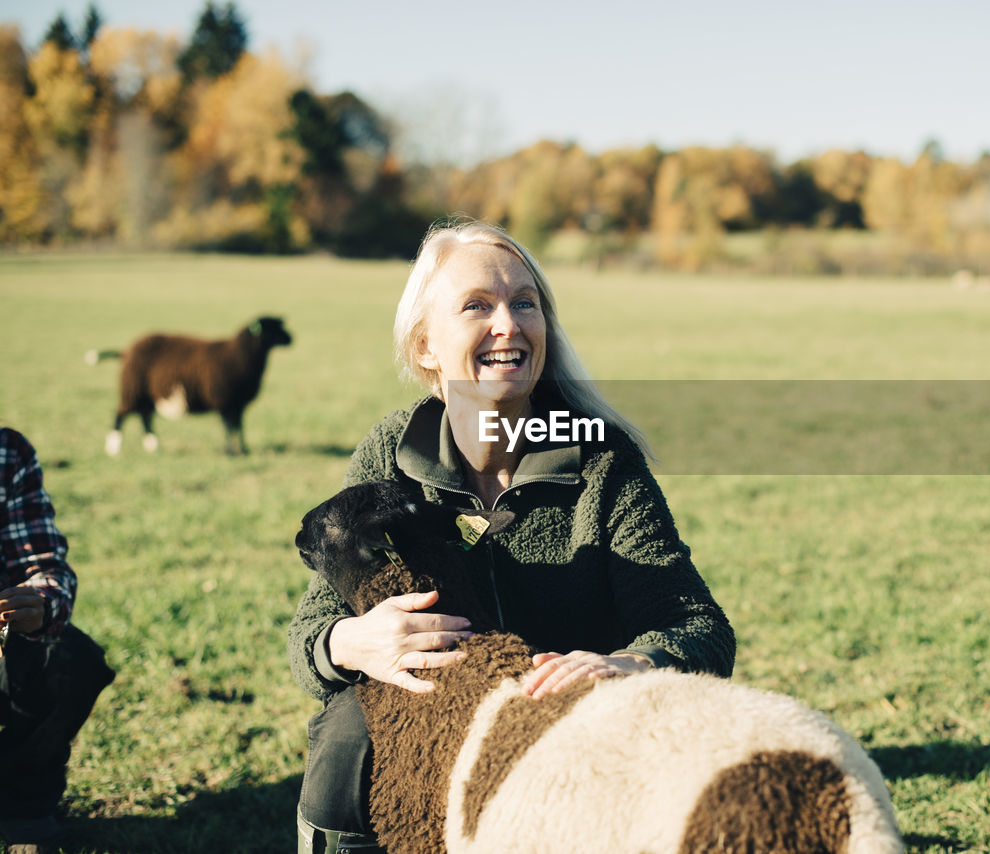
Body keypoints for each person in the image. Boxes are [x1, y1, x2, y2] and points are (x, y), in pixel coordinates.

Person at [288, 221, 735, 852]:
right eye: (478, 306)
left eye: (525, 303)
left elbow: (697, 627)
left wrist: (626, 663)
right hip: (429, 747)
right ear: (425, 347)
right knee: (347, 727)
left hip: (569, 749)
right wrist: (353, 640)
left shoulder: (602, 460)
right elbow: (308, 635)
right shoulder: (390, 453)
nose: (509, 324)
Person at [0, 428, 115, 854]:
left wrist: (40, 603)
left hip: (3, 635)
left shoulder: (6, 453)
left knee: (72, 661)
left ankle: (23, 805)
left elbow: (42, 562)